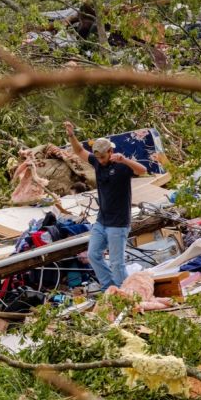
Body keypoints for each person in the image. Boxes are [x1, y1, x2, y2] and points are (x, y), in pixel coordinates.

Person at [64, 120, 147, 288]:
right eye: (98, 157)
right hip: (102, 220)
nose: (100, 161)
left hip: (118, 223)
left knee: (117, 263)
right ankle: (109, 287)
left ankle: (125, 292)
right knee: (93, 254)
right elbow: (79, 151)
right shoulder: (97, 162)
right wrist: (71, 135)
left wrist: (125, 160)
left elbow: (142, 170)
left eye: (103, 157)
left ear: (110, 151)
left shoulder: (122, 166)